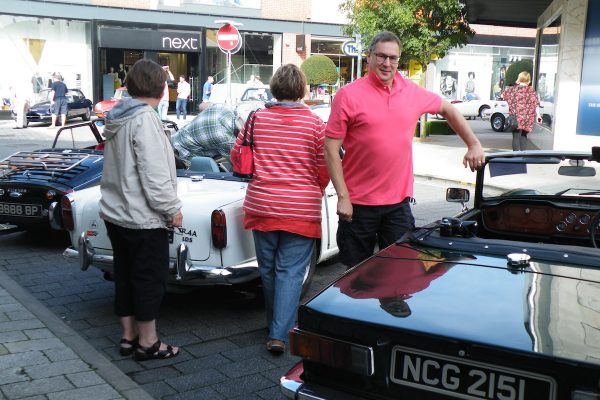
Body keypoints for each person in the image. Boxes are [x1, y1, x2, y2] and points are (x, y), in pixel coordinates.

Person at [324, 31, 484, 270]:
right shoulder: (348, 95)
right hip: (358, 205)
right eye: (381, 56)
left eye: (393, 58)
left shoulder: (412, 92)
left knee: (399, 277)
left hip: (397, 206)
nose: (387, 63)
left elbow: (448, 109)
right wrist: (343, 197)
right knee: (356, 279)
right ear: (369, 57)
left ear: (399, 60)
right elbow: (330, 148)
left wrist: (473, 144)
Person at [231, 64, 329, 354]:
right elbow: (324, 167)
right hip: (300, 208)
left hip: (261, 204)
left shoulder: (256, 118)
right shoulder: (314, 124)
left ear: (274, 88)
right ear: (302, 89)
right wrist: (314, 189)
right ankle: (279, 332)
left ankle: (275, 323)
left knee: (269, 269)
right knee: (289, 271)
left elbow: (237, 155)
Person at [98, 58, 183, 361]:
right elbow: (154, 172)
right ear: (161, 88)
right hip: (143, 217)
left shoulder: (118, 114)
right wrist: (171, 209)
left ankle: (127, 336)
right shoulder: (145, 118)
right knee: (149, 279)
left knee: (124, 274)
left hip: (116, 212)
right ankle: (148, 342)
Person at [171, 102, 237, 161]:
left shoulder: (224, 108)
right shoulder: (226, 139)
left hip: (175, 140)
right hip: (182, 153)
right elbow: (238, 165)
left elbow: (202, 105)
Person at [502, 71, 540, 151]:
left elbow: (503, 96)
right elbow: (536, 104)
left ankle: (516, 155)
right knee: (524, 135)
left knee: (516, 137)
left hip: (516, 117)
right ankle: (523, 155)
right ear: (528, 80)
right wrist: (538, 115)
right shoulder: (531, 91)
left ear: (519, 79)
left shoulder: (512, 90)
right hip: (528, 118)